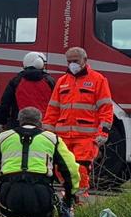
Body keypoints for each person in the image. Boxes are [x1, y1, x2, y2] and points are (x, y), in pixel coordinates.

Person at [43, 46, 113, 200]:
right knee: (59, 167)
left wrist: (103, 132)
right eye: (69, 61)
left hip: (86, 136)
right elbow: (52, 109)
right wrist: (47, 132)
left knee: (81, 168)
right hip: (62, 136)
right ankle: (68, 193)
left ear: (85, 60)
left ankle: (79, 199)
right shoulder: (62, 81)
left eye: (75, 61)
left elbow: (106, 108)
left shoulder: (98, 80)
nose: (72, 64)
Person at [0, 51, 54, 128]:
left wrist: (2, 121)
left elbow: (5, 103)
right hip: (43, 124)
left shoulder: (16, 80)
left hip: (19, 123)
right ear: (39, 63)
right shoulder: (49, 81)